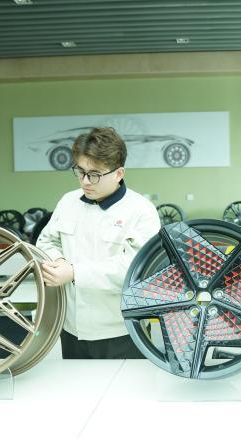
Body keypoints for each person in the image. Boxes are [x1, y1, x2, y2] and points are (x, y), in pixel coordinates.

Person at [36, 127, 161, 359]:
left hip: (122, 332)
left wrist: (74, 272)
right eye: (80, 171)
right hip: (71, 329)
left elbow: (135, 270)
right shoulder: (68, 202)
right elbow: (47, 240)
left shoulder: (141, 210)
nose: (85, 181)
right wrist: (58, 261)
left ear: (118, 173)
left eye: (94, 174)